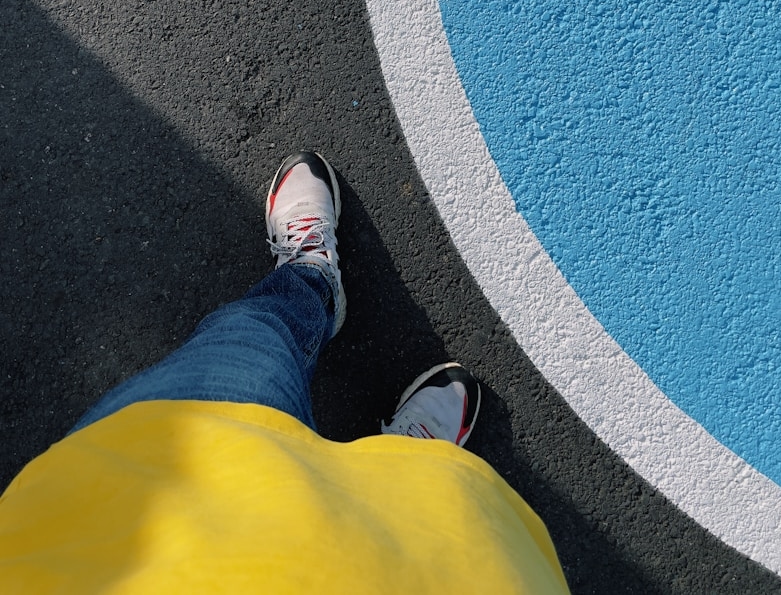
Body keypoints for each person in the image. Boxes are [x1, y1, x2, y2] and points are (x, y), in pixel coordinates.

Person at [0, 152, 571, 593]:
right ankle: (402, 469)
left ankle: (314, 283)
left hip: (124, 524)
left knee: (256, 332)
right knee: (420, 518)